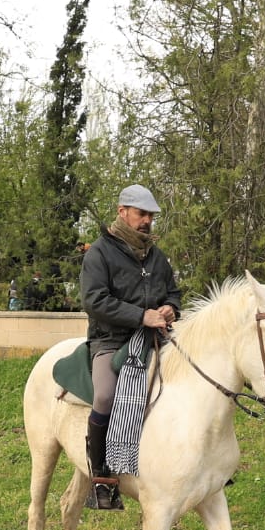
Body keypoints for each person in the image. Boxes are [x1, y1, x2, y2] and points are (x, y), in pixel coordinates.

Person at [79, 185, 182, 510]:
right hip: (110, 340)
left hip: (155, 337)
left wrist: (170, 309)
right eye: (141, 214)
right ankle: (103, 479)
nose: (147, 221)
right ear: (122, 211)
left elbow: (174, 293)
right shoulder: (99, 253)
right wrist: (141, 315)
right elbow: (94, 300)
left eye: (150, 215)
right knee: (106, 395)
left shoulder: (156, 256)